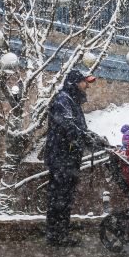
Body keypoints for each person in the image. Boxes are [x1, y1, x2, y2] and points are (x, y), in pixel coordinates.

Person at [44, 69, 110, 246]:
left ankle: (60, 233)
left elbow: (80, 129)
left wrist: (96, 139)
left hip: (69, 157)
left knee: (65, 197)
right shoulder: (62, 100)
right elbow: (68, 126)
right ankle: (56, 235)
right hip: (61, 157)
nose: (87, 86)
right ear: (74, 83)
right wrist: (86, 137)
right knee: (59, 197)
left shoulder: (72, 102)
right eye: (84, 82)